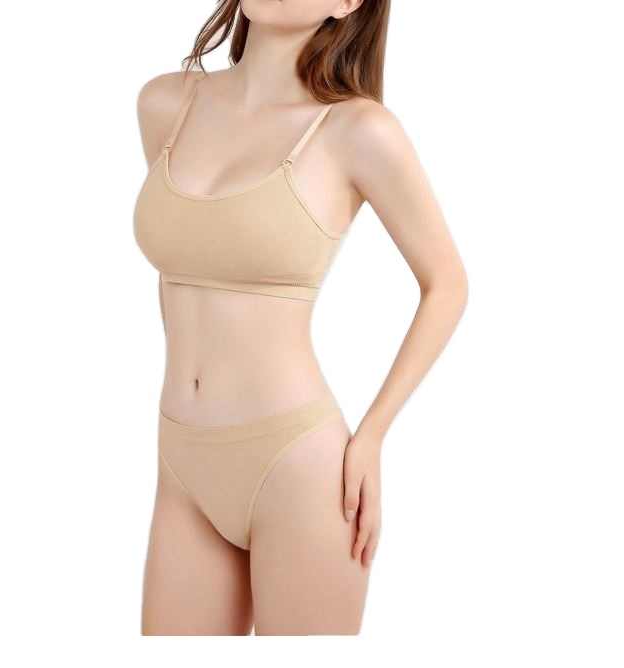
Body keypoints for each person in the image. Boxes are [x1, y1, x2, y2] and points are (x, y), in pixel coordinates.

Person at [134, 0, 467, 635]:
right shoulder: (164, 104)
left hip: (296, 464)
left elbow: (446, 283)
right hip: (180, 457)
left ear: (348, 4)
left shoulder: (357, 130)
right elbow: (185, 261)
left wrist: (372, 436)